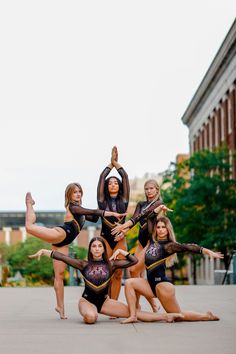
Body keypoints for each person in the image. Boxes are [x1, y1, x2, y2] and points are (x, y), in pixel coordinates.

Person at [28, 236, 183, 324]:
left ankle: (166, 316)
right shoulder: (84, 264)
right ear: (90, 249)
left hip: (105, 302)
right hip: (87, 301)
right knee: (91, 318)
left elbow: (134, 262)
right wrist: (45, 251)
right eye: (93, 246)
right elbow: (63, 257)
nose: (96, 249)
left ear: (103, 249)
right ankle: (92, 311)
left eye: (99, 246)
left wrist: (123, 251)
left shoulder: (111, 265)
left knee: (134, 312)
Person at [25, 184, 124, 319]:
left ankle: (60, 307)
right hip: (60, 234)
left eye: (79, 192)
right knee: (29, 227)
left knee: (59, 275)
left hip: (64, 243)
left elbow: (94, 218)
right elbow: (95, 213)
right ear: (69, 195)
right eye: (74, 192)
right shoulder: (73, 207)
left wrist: (104, 204)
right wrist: (110, 212)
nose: (78, 194)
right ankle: (29, 204)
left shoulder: (80, 211)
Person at [121, 216, 224, 323]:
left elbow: (188, 247)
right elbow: (150, 218)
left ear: (168, 230)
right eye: (158, 227)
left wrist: (208, 252)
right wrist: (159, 207)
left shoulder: (169, 246)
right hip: (150, 285)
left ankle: (206, 316)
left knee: (178, 316)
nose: (160, 230)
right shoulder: (152, 240)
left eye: (163, 227)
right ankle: (133, 315)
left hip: (162, 286)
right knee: (129, 283)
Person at [96, 146, 130, 300]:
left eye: (116, 183)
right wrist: (110, 164)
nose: (113, 185)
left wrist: (117, 163)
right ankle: (104, 301)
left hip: (119, 239)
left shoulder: (124, 200)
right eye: (110, 183)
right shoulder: (102, 201)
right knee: (105, 271)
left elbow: (126, 177)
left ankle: (114, 303)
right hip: (105, 239)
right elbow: (102, 178)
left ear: (119, 186)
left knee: (117, 273)